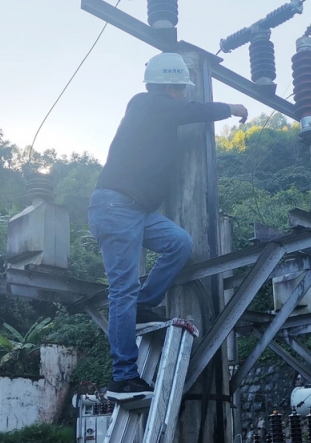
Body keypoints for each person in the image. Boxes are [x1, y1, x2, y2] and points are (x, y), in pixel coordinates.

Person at [88, 52, 248, 401]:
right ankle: (123, 378)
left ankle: (144, 304)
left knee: (180, 243)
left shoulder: (156, 112)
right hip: (116, 206)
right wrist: (231, 108)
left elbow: (184, 112)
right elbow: (191, 111)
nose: (185, 94)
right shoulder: (146, 103)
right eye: (183, 88)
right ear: (169, 86)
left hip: (138, 209)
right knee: (122, 290)